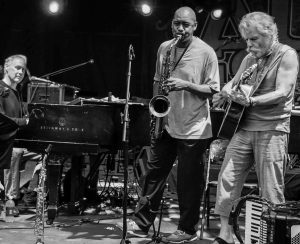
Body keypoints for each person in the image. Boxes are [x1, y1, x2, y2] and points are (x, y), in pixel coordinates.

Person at [118, 6, 220, 243]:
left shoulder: (206, 52)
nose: (180, 29)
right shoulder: (165, 48)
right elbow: (157, 80)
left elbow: (213, 89)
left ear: (195, 26)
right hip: (166, 123)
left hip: (194, 127)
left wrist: (186, 85)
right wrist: (157, 110)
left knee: (187, 182)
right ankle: (142, 224)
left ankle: (187, 229)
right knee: (153, 175)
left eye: (186, 25)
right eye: (177, 24)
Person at [212, 12, 299, 244]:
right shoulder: (250, 59)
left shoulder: (287, 55)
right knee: (227, 177)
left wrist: (251, 101)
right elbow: (234, 82)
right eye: (247, 40)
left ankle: (272, 238)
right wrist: (225, 91)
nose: (249, 45)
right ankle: (225, 233)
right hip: (243, 127)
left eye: (254, 39)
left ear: (269, 34)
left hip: (272, 128)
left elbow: (283, 92)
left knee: (270, 188)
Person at [0, 54, 30, 216]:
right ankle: (10, 199)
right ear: (6, 68)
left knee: (46, 154)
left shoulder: (17, 92)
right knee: (15, 152)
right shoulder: (0, 89)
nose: (20, 72)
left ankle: (31, 193)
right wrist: (24, 122)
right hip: (4, 142)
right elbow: (2, 120)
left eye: (23, 70)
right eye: (17, 68)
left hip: (16, 140)